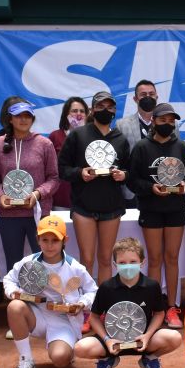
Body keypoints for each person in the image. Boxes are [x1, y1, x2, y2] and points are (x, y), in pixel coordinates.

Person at [126, 102, 185, 329]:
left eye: (171, 121)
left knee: (172, 258)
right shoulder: (141, 147)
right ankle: (156, 307)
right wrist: (150, 188)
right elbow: (132, 179)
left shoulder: (182, 147)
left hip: (176, 208)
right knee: (155, 259)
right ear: (154, 121)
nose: (167, 124)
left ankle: (172, 307)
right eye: (163, 120)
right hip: (151, 209)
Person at [2, 215, 98, 368]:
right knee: (14, 306)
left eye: (55, 240)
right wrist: (13, 292)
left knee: (60, 360)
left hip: (63, 320)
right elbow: (8, 279)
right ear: (38, 239)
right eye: (45, 239)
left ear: (64, 240)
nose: (50, 244)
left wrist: (82, 303)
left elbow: (92, 290)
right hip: (35, 315)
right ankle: (26, 360)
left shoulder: (74, 267)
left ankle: (67, 349)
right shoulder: (29, 261)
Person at [76, 237, 183, 368]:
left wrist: (147, 336)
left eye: (133, 262)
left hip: (143, 340)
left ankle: (150, 359)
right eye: (122, 263)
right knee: (80, 348)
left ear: (142, 262)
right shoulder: (106, 287)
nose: (128, 266)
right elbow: (94, 317)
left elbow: (159, 314)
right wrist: (107, 340)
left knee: (174, 338)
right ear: (115, 265)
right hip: (113, 342)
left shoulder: (152, 286)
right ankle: (107, 359)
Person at [57, 90, 129, 285]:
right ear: (92, 110)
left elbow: (129, 171)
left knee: (106, 259)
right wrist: (80, 173)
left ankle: (102, 306)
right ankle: (87, 307)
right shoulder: (78, 135)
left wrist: (123, 175)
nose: (105, 110)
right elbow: (62, 169)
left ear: (114, 111)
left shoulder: (120, 140)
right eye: (100, 106)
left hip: (111, 207)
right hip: (84, 206)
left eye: (109, 107)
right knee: (87, 259)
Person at [0, 99, 59, 278]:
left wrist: (37, 194)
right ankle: (16, 302)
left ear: (33, 119)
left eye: (28, 116)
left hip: (38, 213)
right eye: (18, 116)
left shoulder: (44, 144)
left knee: (44, 261)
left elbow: (54, 178)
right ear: (10, 119)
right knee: (13, 263)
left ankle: (43, 302)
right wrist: (0, 195)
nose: (23, 120)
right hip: (9, 214)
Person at [117, 79, 159, 208]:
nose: (148, 97)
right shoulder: (122, 125)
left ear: (157, 97)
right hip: (132, 190)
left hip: (161, 187)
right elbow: (119, 158)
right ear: (135, 99)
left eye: (151, 94)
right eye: (143, 95)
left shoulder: (172, 124)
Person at [48, 96, 88, 211]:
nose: (78, 114)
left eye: (82, 111)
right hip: (61, 197)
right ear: (66, 114)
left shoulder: (92, 137)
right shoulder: (55, 136)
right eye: (74, 111)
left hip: (86, 197)